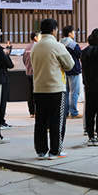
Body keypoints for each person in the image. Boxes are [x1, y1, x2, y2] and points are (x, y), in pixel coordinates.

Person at [31, 18, 75, 160]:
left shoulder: (35, 47)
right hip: (55, 88)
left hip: (38, 88)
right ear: (53, 31)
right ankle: (55, 151)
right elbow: (70, 65)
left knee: (40, 121)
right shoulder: (57, 46)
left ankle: (41, 151)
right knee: (57, 121)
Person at [59, 25, 82, 119]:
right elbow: (79, 55)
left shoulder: (59, 43)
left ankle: (65, 113)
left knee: (65, 92)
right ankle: (74, 112)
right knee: (74, 92)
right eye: (73, 32)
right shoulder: (73, 44)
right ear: (69, 33)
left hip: (63, 70)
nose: (74, 34)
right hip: (73, 70)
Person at [22, 32, 39, 118]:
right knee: (37, 93)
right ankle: (37, 111)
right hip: (36, 73)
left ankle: (31, 112)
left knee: (30, 93)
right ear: (35, 37)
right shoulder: (37, 47)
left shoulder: (27, 48)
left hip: (28, 73)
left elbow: (24, 60)